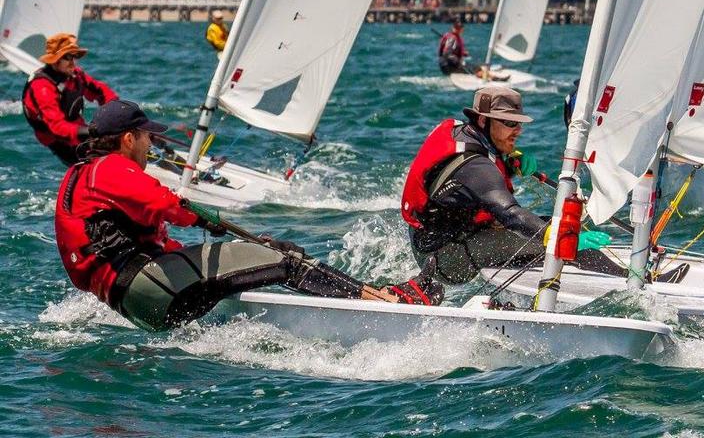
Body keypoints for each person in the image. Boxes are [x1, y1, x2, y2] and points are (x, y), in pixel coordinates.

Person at [54, 100, 443, 331]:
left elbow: (152, 238)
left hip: (136, 302)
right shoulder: (110, 168)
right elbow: (164, 202)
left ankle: (349, 294)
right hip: (151, 288)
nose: (149, 144)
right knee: (285, 257)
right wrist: (203, 217)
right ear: (128, 139)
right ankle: (378, 301)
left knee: (258, 259)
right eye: (146, 137)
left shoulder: (78, 176)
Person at [401, 85, 623, 284]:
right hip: (445, 259)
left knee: (556, 231)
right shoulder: (475, 167)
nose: (518, 130)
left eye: (518, 123)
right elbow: (511, 214)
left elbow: (464, 188)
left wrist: (505, 163)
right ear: (482, 121)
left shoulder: (462, 133)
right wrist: (560, 239)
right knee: (564, 241)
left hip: (438, 241)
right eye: (509, 123)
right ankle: (625, 281)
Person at [22, 33, 118, 166]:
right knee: (96, 161)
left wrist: (116, 113)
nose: (73, 62)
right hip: (58, 139)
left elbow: (101, 91)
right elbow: (57, 128)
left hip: (77, 127)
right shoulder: (42, 87)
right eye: (68, 57)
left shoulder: (75, 75)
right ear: (55, 61)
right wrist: (92, 132)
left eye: (75, 56)